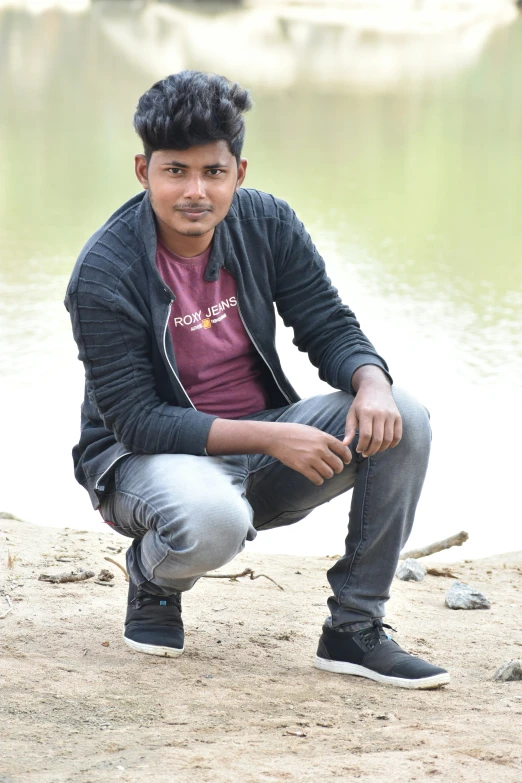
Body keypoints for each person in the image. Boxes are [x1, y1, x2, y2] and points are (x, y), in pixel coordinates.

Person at [65, 70, 449, 690]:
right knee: (212, 520)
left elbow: (326, 323)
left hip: (264, 446)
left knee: (405, 416)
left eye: (213, 172)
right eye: (175, 171)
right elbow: (135, 419)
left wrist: (372, 380)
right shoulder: (104, 272)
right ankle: (155, 576)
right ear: (144, 172)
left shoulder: (266, 222)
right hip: (144, 461)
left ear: (239, 173)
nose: (195, 190)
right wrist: (270, 440)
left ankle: (354, 628)